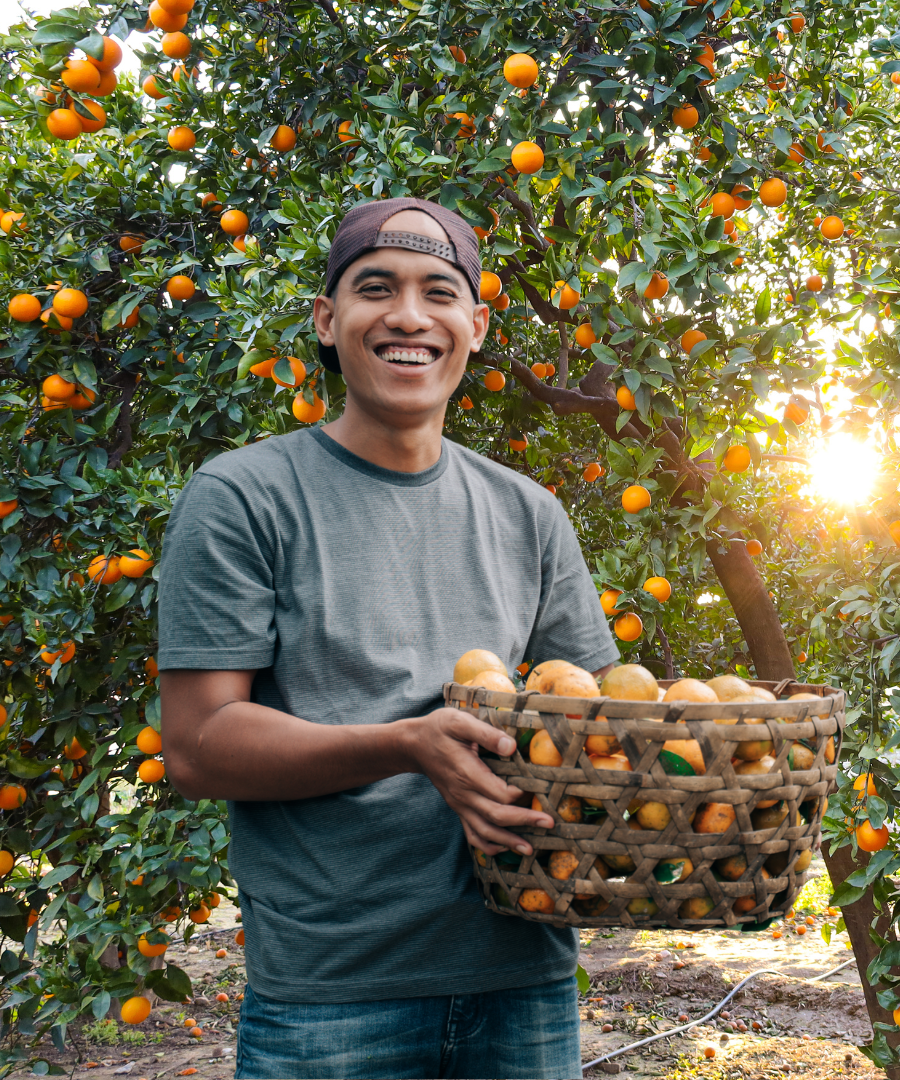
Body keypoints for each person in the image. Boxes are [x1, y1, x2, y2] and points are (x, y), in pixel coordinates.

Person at [157, 197, 617, 1079]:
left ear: (474, 327)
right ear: (328, 321)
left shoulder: (529, 514)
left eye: (439, 293)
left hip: (525, 979)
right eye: (377, 289)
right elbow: (200, 746)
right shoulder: (245, 497)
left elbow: (601, 723)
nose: (410, 317)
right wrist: (411, 747)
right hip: (333, 1000)